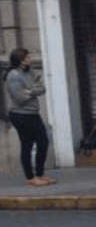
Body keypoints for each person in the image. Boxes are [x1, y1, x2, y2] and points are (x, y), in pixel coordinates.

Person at [5, 48, 55, 187]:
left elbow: (42, 89)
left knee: (43, 142)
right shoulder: (14, 75)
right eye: (28, 57)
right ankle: (30, 177)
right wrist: (33, 91)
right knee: (27, 144)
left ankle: (39, 174)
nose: (31, 58)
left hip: (33, 113)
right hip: (20, 115)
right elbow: (19, 98)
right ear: (21, 60)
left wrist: (30, 91)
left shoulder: (30, 73)